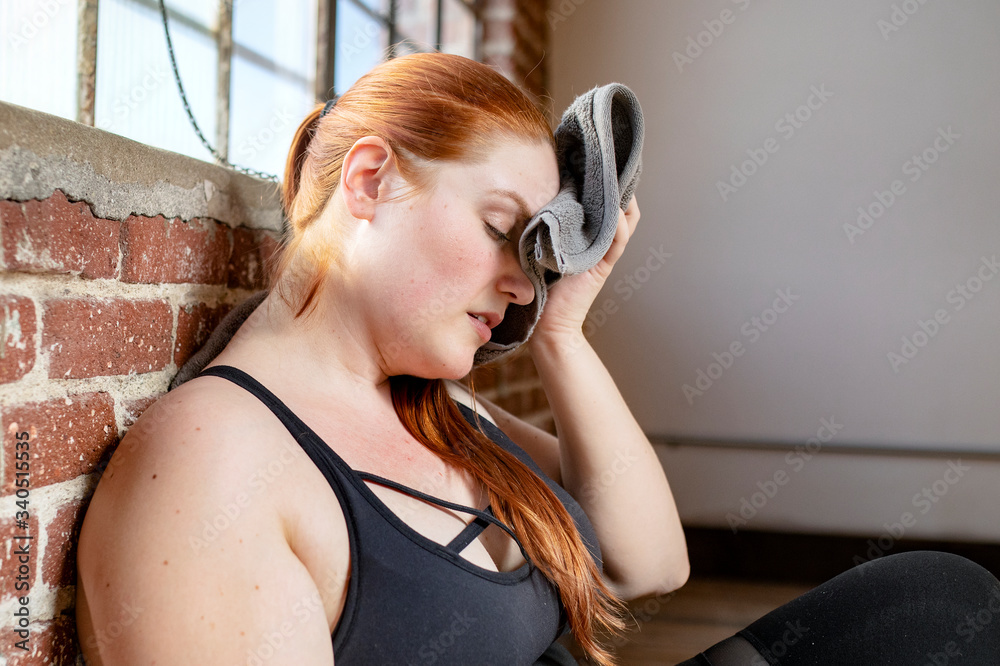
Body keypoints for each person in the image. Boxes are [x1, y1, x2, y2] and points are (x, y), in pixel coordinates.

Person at [74, 52, 1000, 666]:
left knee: (928, 603)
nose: (520, 283)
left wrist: (563, 334)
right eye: (498, 230)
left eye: (535, 253)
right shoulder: (214, 464)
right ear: (368, 182)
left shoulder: (434, 405)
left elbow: (649, 562)